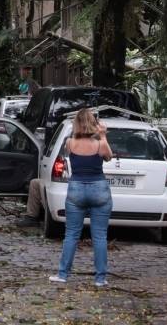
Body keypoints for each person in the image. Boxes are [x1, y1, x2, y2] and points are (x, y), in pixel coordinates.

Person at [49, 109, 113, 287]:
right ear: (93, 123)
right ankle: (100, 278)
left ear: (76, 124)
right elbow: (109, 156)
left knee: (71, 235)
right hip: (99, 189)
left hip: (76, 189)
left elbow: (71, 145)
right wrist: (102, 135)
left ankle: (63, 274)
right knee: (100, 236)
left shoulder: (70, 143)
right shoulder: (99, 144)